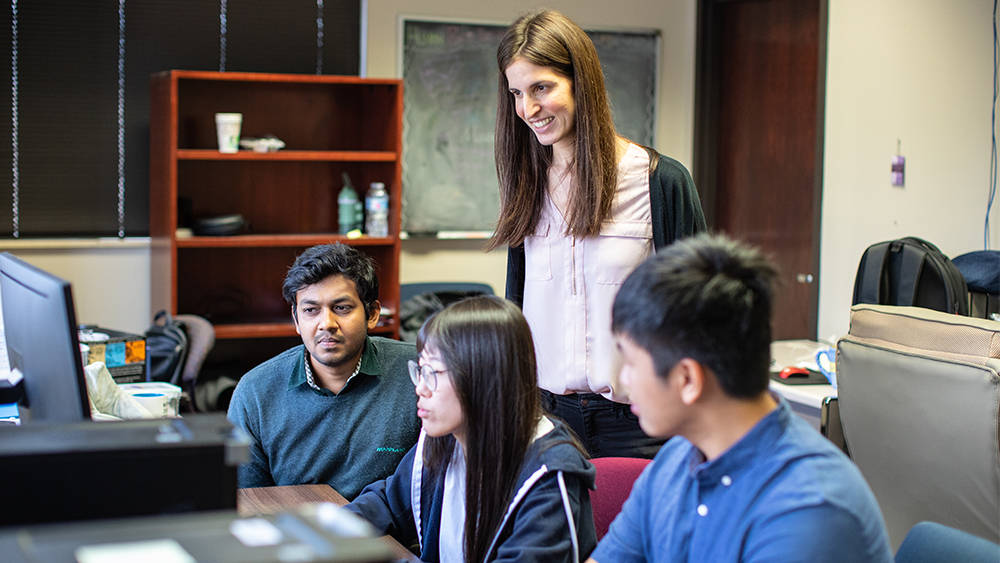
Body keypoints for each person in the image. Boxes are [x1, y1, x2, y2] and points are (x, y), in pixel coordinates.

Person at [588, 234, 893, 562]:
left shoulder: (809, 512)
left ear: (688, 379)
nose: (621, 379)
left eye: (632, 363)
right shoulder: (679, 458)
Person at [487, 9, 707, 459]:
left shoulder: (659, 181)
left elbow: (700, 315)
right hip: (547, 421)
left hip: (641, 425)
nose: (528, 109)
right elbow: (520, 305)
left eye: (542, 88)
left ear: (580, 83)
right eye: (516, 93)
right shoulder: (527, 185)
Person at [346, 296, 596, 562]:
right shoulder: (445, 438)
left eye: (433, 373)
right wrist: (320, 531)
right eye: (420, 370)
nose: (420, 387)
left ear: (483, 379)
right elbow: (388, 503)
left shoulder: (547, 473)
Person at [227, 243, 420, 500]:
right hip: (297, 533)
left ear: (372, 314)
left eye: (342, 308)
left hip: (392, 537)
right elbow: (247, 499)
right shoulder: (255, 392)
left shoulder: (419, 374)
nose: (326, 324)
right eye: (310, 310)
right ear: (296, 320)